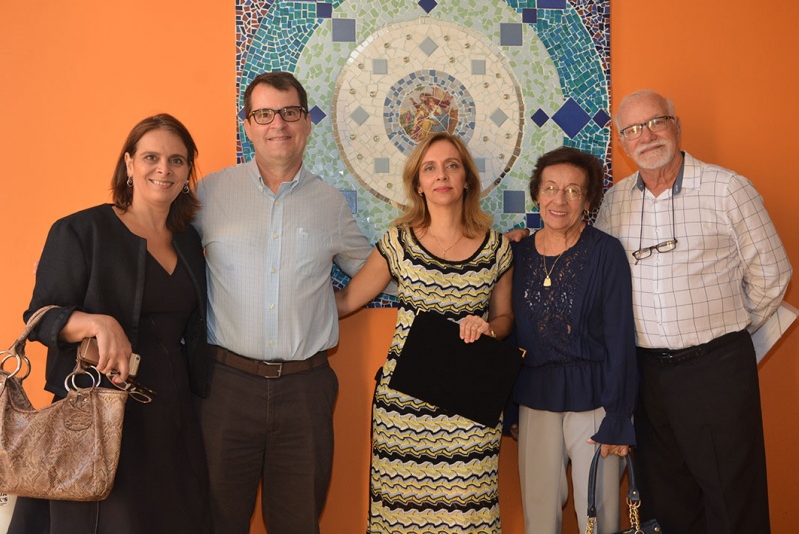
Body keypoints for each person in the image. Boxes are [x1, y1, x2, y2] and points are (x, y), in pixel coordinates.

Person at [595, 89, 792, 534]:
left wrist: (725, 332)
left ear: (676, 126)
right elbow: (597, 273)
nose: (645, 136)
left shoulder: (727, 189)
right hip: (647, 377)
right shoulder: (615, 203)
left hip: (716, 370)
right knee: (666, 499)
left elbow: (773, 276)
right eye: (632, 130)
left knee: (732, 496)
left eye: (655, 122)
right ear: (622, 144)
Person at [9, 114, 212, 533]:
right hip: (98, 413)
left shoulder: (191, 239)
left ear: (187, 172)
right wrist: (97, 322)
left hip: (173, 414)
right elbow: (40, 317)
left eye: (177, 160)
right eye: (151, 157)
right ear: (129, 164)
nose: (164, 169)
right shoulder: (81, 231)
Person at [194, 71, 377, 534]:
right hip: (224, 387)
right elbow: (159, 255)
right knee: (215, 519)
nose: (278, 123)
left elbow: (381, 270)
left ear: (307, 122)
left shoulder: (330, 203)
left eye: (290, 112)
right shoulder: (208, 194)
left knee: (298, 523)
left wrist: (486, 255)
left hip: (305, 390)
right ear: (248, 125)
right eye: (264, 114)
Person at [335, 132, 514, 533]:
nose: (441, 175)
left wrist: (488, 327)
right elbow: (347, 301)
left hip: (470, 410)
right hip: (404, 410)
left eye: (452, 165)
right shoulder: (398, 243)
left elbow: (505, 320)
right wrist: (288, 310)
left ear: (467, 178)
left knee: (469, 517)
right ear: (418, 183)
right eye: (429, 168)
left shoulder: (497, 249)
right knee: (401, 520)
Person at [506, 146, 637, 534]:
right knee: (540, 519)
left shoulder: (606, 253)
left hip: (596, 401)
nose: (558, 200)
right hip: (534, 401)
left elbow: (619, 337)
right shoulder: (519, 254)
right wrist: (511, 409)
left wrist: (618, 416)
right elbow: (511, 332)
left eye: (573, 191)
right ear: (536, 194)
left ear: (589, 201)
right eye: (549, 188)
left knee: (599, 517)